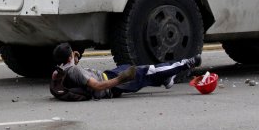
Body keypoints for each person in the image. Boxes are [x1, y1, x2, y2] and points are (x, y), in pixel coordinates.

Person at [51, 42, 202, 99]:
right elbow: (96, 86)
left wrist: (74, 59)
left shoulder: (59, 71)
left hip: (108, 75)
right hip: (112, 84)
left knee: (143, 73)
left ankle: (165, 78)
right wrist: (120, 79)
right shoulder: (75, 70)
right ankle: (187, 63)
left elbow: (75, 76)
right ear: (69, 56)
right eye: (72, 53)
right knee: (148, 71)